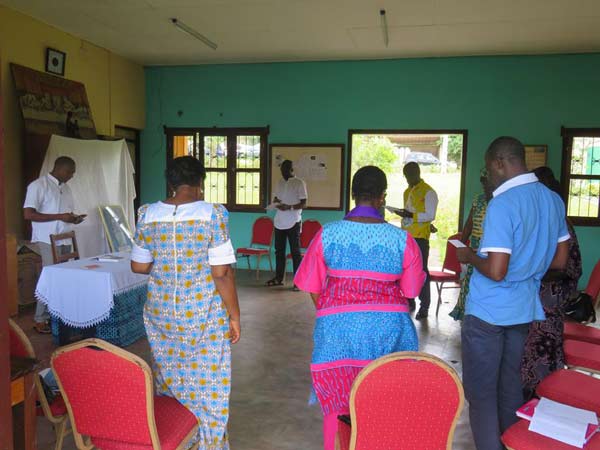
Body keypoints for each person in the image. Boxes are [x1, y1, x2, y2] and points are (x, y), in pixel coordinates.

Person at [294, 166, 425, 450]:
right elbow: (411, 291)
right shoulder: (403, 240)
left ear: (353, 195)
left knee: (335, 403)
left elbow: (312, 286)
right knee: (383, 398)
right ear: (382, 197)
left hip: (337, 330)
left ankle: (334, 445)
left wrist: (332, 313)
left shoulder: (327, 234)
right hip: (388, 331)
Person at [457, 137, 570, 450]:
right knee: (509, 386)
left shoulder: (502, 204)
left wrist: (469, 256)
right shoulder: (552, 200)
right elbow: (560, 261)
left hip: (487, 312)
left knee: (481, 393)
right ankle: (510, 444)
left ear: (498, 163)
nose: (489, 176)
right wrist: (528, 266)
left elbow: (496, 270)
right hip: (522, 309)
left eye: (487, 169)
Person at [131, 156, 241, 449]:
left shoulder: (147, 213)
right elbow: (221, 272)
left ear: (171, 182)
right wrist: (234, 316)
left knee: (170, 376)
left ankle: (179, 437)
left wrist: (165, 263)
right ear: (200, 182)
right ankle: (209, 443)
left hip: (161, 313)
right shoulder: (213, 214)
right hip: (202, 314)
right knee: (209, 381)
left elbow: (139, 266)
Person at [521, 166, 582, 398]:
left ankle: (540, 393)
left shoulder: (559, 223)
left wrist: (530, 272)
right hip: (543, 294)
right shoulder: (545, 220)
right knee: (534, 344)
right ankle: (536, 391)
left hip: (550, 295)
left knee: (540, 344)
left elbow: (566, 267)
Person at [23, 156, 85, 334]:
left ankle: (56, 315)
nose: (72, 176)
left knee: (63, 278)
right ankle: (40, 319)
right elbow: (28, 214)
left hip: (64, 238)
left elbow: (64, 214)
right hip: (47, 239)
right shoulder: (38, 186)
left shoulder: (66, 188)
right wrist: (60, 217)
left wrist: (74, 219)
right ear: (59, 168)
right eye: (70, 172)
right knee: (49, 277)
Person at [395, 161, 438, 319]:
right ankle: (409, 300)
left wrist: (410, 215)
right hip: (406, 236)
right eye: (406, 176)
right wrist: (403, 214)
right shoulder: (407, 191)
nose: (408, 179)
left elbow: (430, 215)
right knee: (406, 269)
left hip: (420, 238)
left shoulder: (429, 192)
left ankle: (424, 306)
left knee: (421, 271)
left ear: (418, 173)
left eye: (410, 175)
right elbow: (410, 212)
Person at [449, 168, 492, 321]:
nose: (485, 187)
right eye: (483, 184)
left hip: (491, 253)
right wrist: (461, 245)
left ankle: (482, 317)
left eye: (487, 184)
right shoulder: (478, 200)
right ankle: (468, 316)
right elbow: (469, 225)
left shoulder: (501, 201)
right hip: (474, 251)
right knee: (470, 284)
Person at [265, 159, 307, 288]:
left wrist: (289, 207)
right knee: (279, 251)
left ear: (291, 170)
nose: (283, 173)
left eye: (285, 171)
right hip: (279, 221)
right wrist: (276, 204)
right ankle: (279, 278)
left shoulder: (299, 183)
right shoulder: (280, 182)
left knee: (295, 252)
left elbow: (304, 203)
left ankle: (298, 282)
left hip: (293, 221)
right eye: (281, 171)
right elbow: (276, 198)